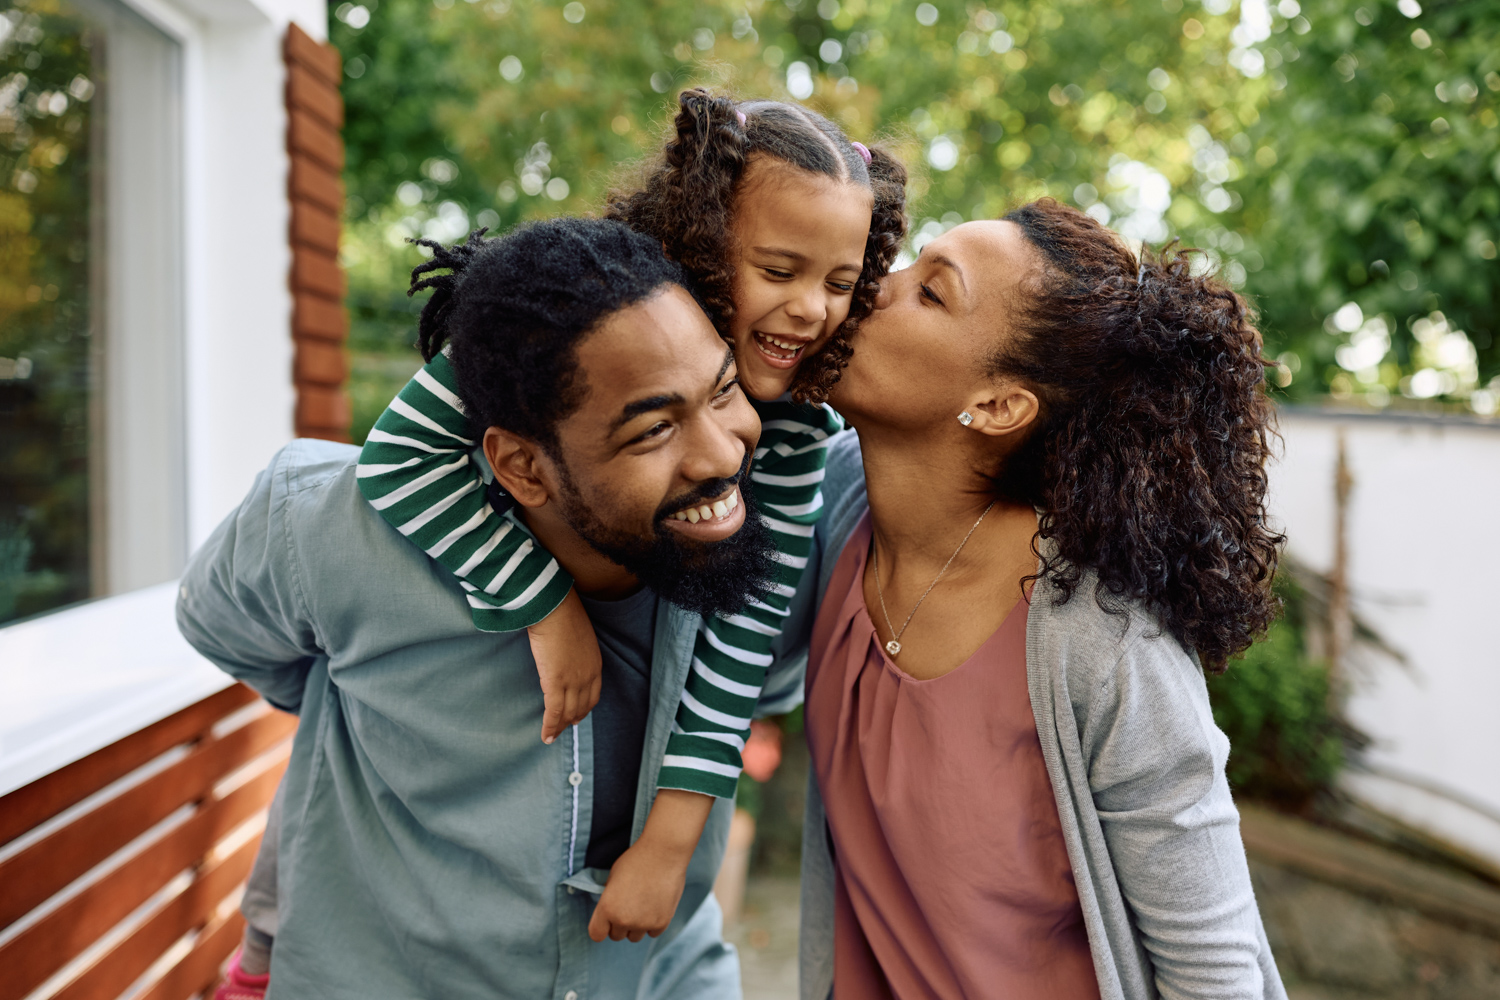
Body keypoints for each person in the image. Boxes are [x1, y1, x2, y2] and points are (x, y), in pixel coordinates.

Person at [178, 218, 820, 1000]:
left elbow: (775, 687)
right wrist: (365, 708)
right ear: (521, 465)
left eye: (724, 392)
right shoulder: (333, 531)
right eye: (653, 428)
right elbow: (225, 630)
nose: (723, 454)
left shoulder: (765, 547)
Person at [351, 91, 906, 946]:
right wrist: (544, 605)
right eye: (780, 270)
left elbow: (743, 627)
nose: (811, 310)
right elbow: (397, 455)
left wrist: (669, 843)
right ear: (704, 238)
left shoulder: (793, 419)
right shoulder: (575, 313)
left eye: (841, 282)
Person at [797, 201, 1288, 999]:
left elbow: (1214, 968)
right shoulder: (833, 509)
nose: (870, 287)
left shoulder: (1102, 636)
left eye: (931, 292)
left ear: (997, 405)